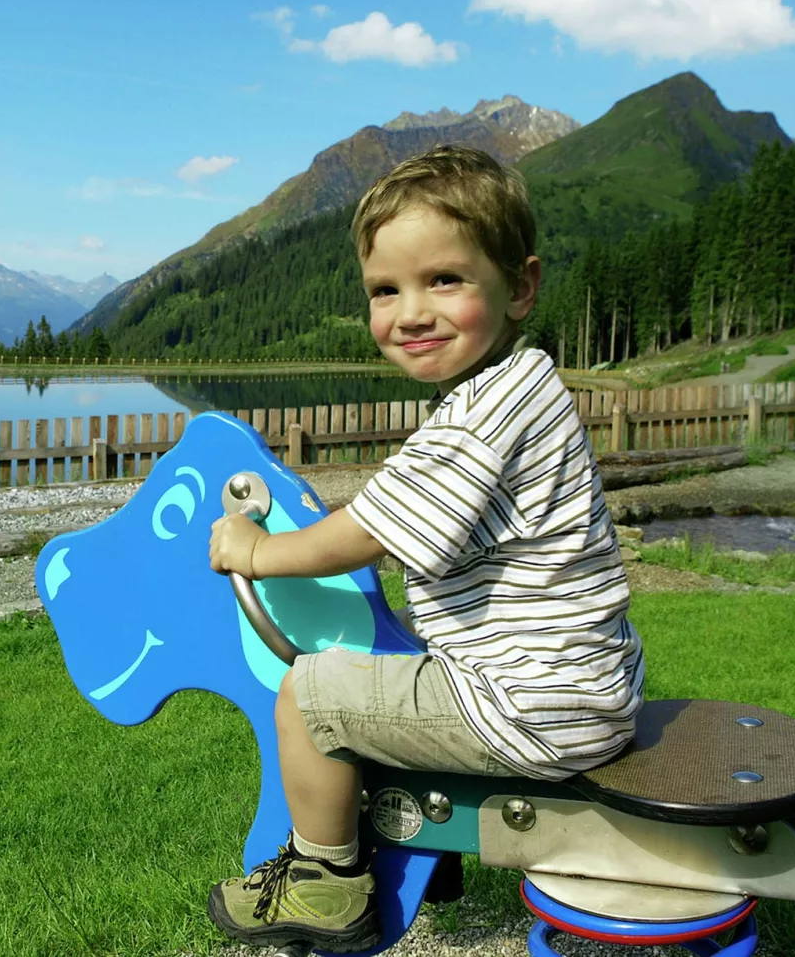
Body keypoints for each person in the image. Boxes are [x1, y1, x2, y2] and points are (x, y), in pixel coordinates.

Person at [205, 145, 644, 953]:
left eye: (443, 280)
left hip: (531, 707)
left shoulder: (478, 417)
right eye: (385, 290)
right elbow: (410, 505)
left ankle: (323, 883)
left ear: (520, 286)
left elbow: (368, 533)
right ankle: (413, 857)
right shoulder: (526, 384)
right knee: (396, 671)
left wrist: (256, 551)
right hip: (587, 687)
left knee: (312, 694)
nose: (410, 312)